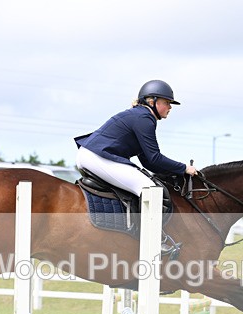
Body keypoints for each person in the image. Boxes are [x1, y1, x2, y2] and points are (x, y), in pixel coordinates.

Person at [75, 79, 197, 254]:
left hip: (92, 155)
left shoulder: (140, 115)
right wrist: (184, 168)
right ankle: (152, 241)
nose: (170, 107)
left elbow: (147, 162)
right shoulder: (144, 118)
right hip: (97, 157)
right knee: (151, 190)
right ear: (151, 101)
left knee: (147, 182)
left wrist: (173, 171)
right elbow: (155, 158)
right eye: (166, 102)